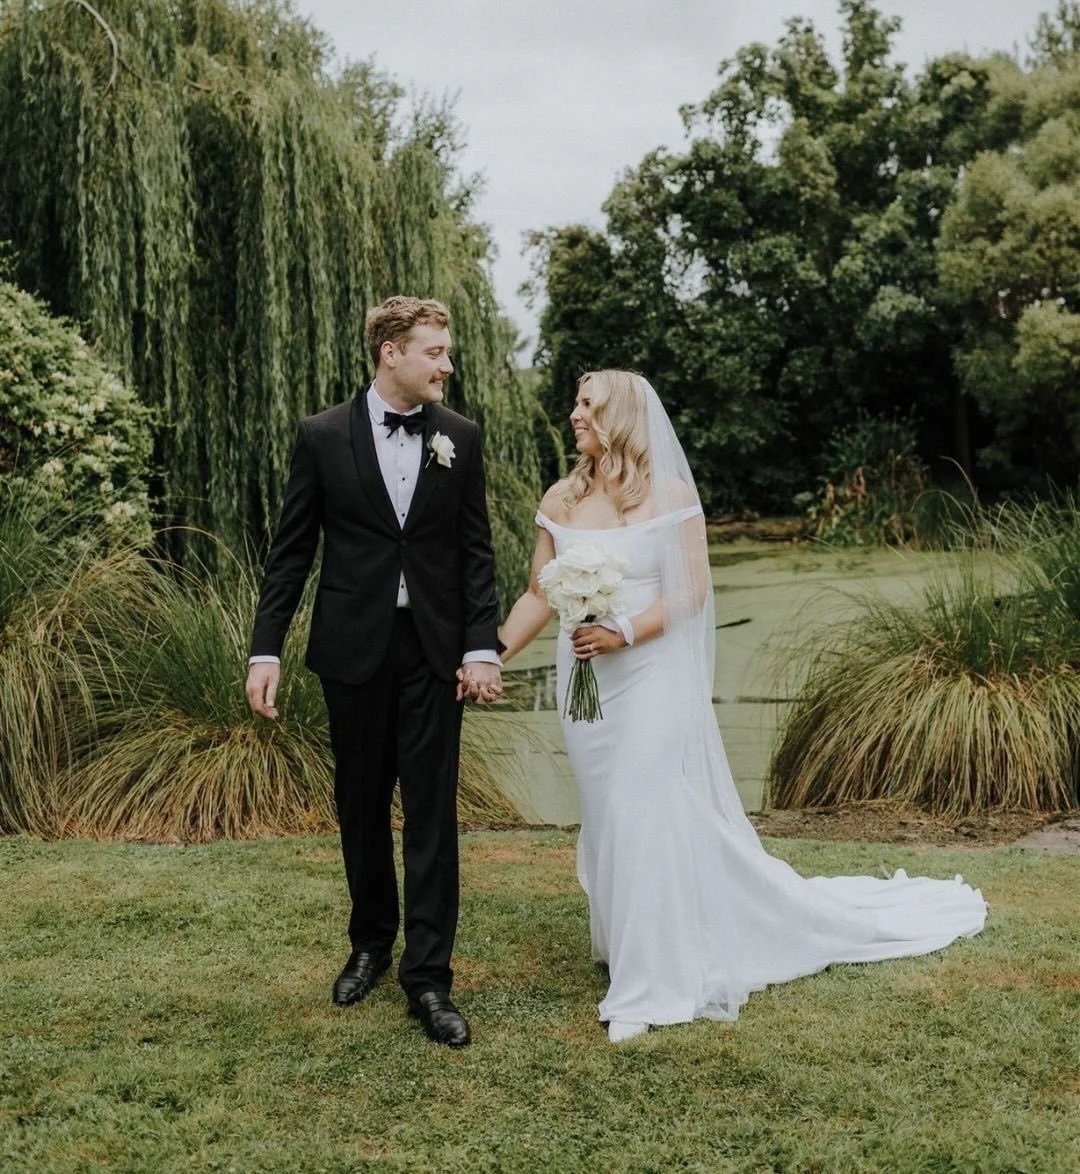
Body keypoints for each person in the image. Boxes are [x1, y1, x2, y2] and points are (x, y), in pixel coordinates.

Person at [498, 369, 987, 1043]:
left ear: (623, 416)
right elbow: (536, 592)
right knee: (610, 812)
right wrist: (489, 655)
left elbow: (691, 590)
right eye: (577, 404)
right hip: (585, 685)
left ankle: (650, 984)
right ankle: (628, 940)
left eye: (588, 404)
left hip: (648, 676)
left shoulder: (670, 494)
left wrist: (623, 631)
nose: (575, 414)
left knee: (643, 807)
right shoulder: (562, 496)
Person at [245, 295, 503, 1049]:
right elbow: (291, 551)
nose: (446, 365)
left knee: (431, 812)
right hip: (352, 650)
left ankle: (429, 978)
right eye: (435, 352)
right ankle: (370, 944)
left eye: (446, 352)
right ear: (391, 352)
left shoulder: (460, 437)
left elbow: (475, 551)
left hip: (433, 652)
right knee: (359, 804)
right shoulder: (322, 436)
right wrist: (265, 649)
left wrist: (479, 646)